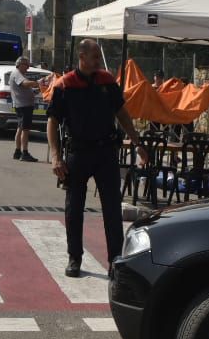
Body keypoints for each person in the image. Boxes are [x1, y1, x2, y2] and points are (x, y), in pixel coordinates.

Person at [47, 39, 149, 278]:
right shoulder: (65, 85)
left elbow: (121, 113)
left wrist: (137, 143)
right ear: (82, 57)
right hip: (78, 153)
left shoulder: (107, 81)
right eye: (94, 56)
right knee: (74, 209)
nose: (98, 61)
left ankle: (115, 260)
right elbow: (53, 120)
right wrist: (55, 156)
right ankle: (75, 258)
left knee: (112, 209)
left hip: (105, 153)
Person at [10, 55, 41, 162]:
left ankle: (18, 151)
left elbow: (27, 89)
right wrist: (38, 82)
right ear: (19, 64)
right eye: (26, 65)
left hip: (22, 105)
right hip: (24, 106)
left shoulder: (20, 74)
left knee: (20, 128)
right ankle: (25, 152)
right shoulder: (17, 73)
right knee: (25, 130)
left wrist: (38, 89)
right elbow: (25, 83)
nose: (27, 68)